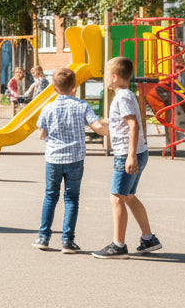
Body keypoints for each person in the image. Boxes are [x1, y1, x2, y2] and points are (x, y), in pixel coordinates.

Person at [93, 56, 162, 258]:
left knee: (116, 197)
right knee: (129, 196)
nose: (105, 79)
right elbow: (118, 126)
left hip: (127, 154)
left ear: (114, 77)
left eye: (106, 75)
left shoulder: (122, 97)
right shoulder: (126, 95)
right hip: (137, 152)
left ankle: (118, 245)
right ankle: (149, 239)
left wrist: (130, 156)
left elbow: (133, 125)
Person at [32, 67, 107, 252]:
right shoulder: (82, 106)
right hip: (75, 158)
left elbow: (41, 134)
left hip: (54, 158)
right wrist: (110, 128)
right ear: (74, 87)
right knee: (72, 198)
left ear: (54, 88)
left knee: (50, 196)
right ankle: (68, 241)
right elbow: (97, 126)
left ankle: (43, 237)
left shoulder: (48, 108)